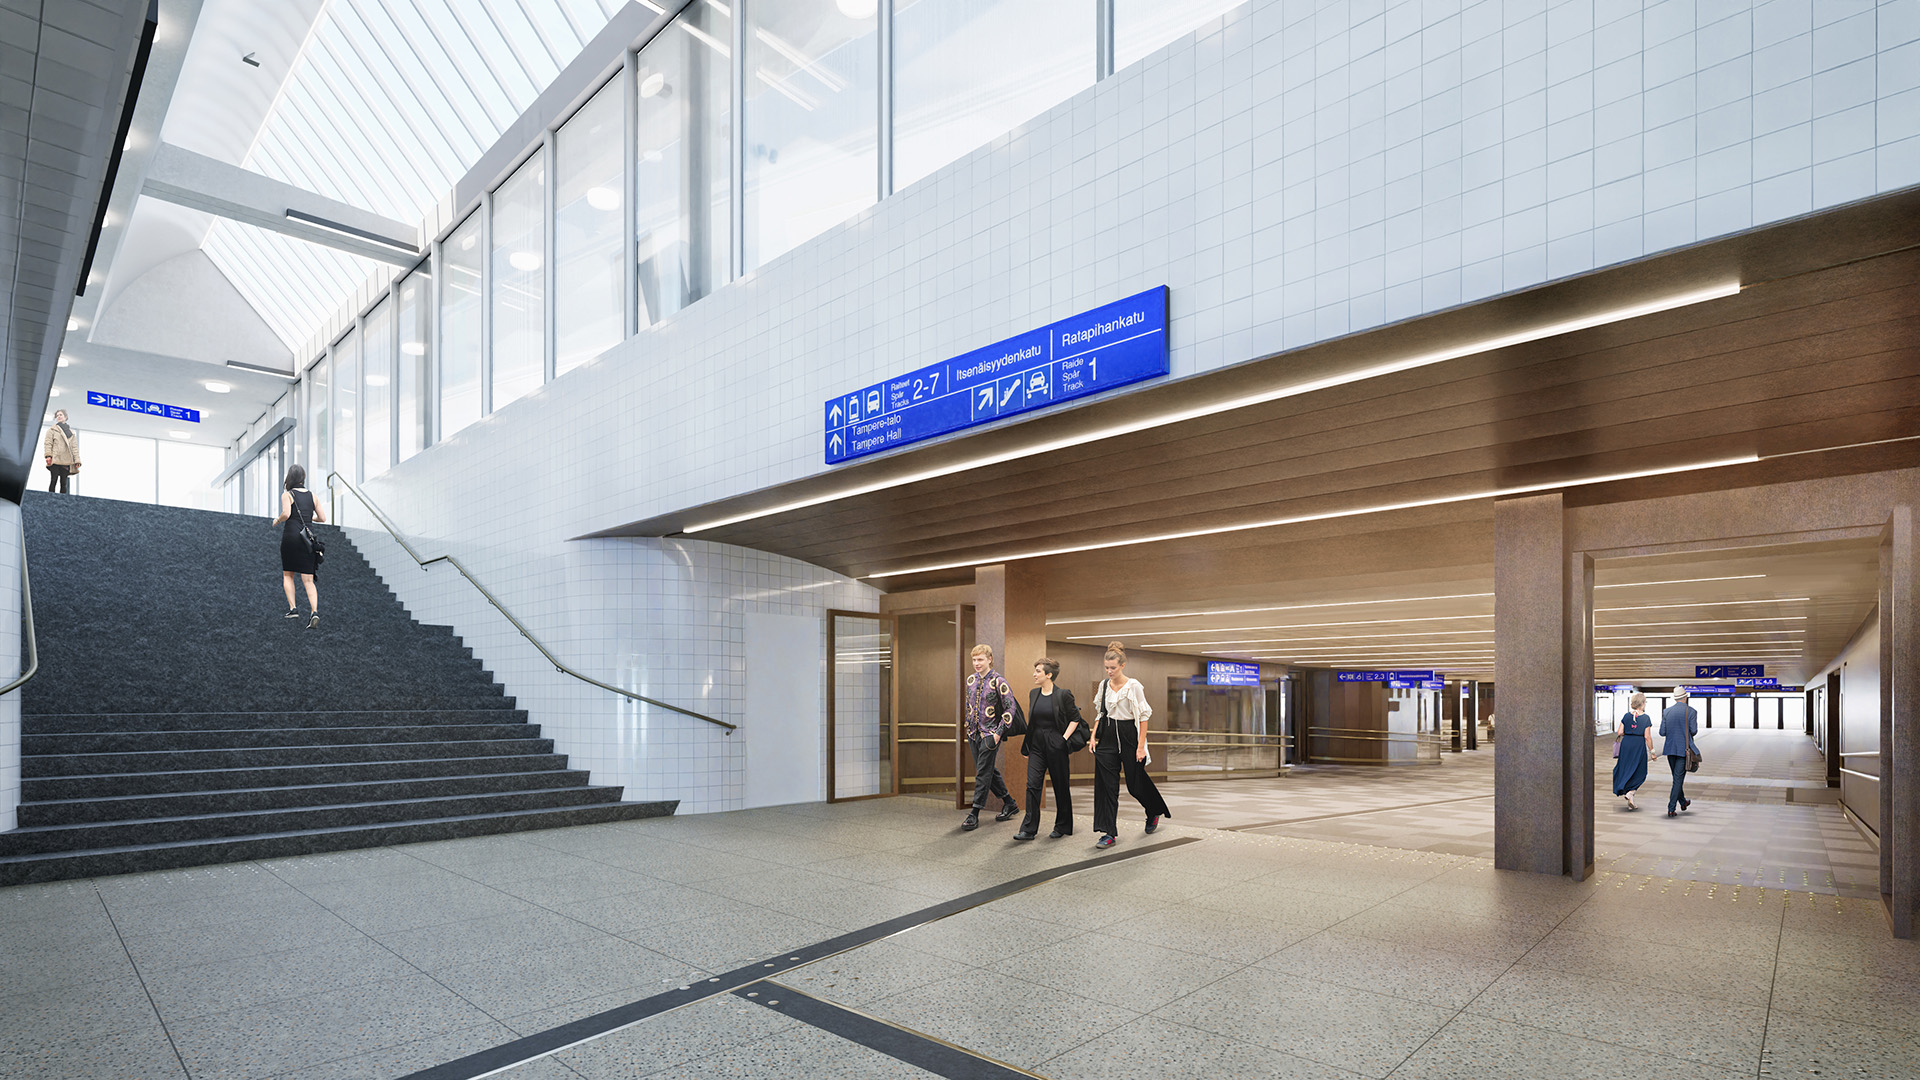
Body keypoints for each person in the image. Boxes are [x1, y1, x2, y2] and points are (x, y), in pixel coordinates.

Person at [1089, 642, 1171, 849]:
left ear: (1123, 665)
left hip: (1129, 737)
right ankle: (1108, 833)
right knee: (1107, 787)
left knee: (1135, 784)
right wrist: (1093, 736)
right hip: (1107, 737)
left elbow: (1143, 717)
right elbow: (1100, 712)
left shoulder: (1134, 686)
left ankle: (1153, 809)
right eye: (1106, 667)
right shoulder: (1104, 685)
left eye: (1113, 668)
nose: (1109, 671)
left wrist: (1140, 746)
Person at [1016, 657, 1083, 841]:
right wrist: (1028, 746)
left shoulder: (1063, 695)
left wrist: (1063, 739)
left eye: (1038, 671)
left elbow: (1075, 718)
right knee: (1032, 786)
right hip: (1037, 746)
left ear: (1049, 674)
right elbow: (1033, 723)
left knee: (1060, 786)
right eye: (1035, 670)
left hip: (1056, 745)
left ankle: (1062, 826)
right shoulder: (1033, 694)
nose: (1034, 674)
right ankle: (1028, 829)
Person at [961, 644, 1017, 831]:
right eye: (974, 660)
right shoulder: (970, 680)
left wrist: (998, 733)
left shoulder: (999, 681)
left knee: (982, 773)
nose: (977, 663)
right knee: (987, 770)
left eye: (980, 660)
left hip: (990, 734)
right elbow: (969, 706)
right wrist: (968, 726)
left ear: (989, 659)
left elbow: (1011, 708)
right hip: (973, 733)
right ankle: (1009, 802)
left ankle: (974, 813)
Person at [271, 464, 325, 628]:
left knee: (288, 575)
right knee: (308, 580)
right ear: (303, 478)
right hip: (307, 540)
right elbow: (322, 518)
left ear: (290, 478)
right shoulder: (313, 496)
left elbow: (287, 514)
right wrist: (309, 518)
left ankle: (293, 608)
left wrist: (277, 520)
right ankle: (314, 612)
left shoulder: (288, 494)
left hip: (291, 537)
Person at [1611, 692, 1655, 810]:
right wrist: (1652, 751)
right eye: (1645, 702)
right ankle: (1631, 792)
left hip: (1626, 744)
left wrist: (1630, 732)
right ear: (1642, 703)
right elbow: (1647, 737)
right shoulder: (1645, 718)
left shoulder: (1626, 716)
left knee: (1626, 768)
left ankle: (1630, 798)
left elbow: (1620, 732)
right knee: (1640, 771)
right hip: (1638, 745)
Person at [1659, 687, 1699, 817]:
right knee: (1677, 779)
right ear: (1685, 697)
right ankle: (1671, 808)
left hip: (1670, 749)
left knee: (1677, 778)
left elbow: (1662, 732)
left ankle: (1683, 802)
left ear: (1675, 698)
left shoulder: (1666, 712)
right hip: (1684, 750)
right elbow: (1693, 731)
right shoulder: (1691, 711)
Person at [43, 410, 80, 493]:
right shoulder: (52, 430)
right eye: (57, 415)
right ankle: (49, 498)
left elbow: (74, 447)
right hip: (56, 458)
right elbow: (48, 443)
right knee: (53, 480)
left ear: (65, 417)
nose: (59, 417)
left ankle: (63, 501)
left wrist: (77, 460)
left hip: (67, 460)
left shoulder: (71, 433)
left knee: (63, 482)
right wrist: (48, 455)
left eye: (61, 415)